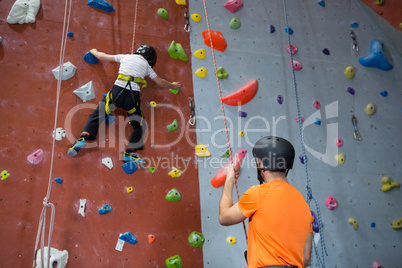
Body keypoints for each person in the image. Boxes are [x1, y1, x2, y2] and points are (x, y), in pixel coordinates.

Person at [67, 45, 181, 164]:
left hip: (116, 94)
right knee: (140, 125)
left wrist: (94, 51)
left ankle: (82, 138)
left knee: (98, 114)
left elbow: (103, 57)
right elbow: (159, 82)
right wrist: (173, 85)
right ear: (151, 59)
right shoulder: (147, 66)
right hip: (131, 99)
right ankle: (129, 152)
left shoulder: (125, 57)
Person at [219, 136, 313, 268]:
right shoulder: (303, 205)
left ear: (262, 164)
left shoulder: (258, 193)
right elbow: (306, 259)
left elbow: (224, 217)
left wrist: (229, 180)